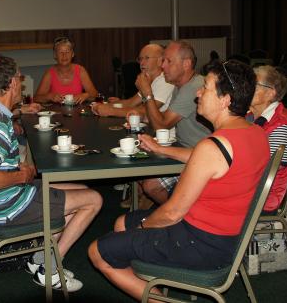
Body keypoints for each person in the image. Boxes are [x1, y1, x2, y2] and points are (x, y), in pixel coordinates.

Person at [88, 60, 269, 301]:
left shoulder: (212, 146)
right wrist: (161, 150)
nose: (198, 92)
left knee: (98, 251)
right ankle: (157, 287)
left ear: (225, 100)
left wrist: (144, 228)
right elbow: (210, 159)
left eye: (205, 87)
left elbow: (172, 213)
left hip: (200, 243)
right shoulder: (254, 132)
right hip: (227, 239)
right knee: (122, 222)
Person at [0, 55, 102, 292]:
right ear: (12, 83)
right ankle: (50, 269)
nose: (22, 82)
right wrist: (22, 175)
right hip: (8, 206)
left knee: (81, 190)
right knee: (93, 200)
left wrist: (19, 173)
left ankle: (38, 260)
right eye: (19, 77)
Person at [135, 40, 212, 204]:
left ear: (186, 64)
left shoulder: (194, 87)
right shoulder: (179, 85)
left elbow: (161, 126)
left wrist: (147, 93)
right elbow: (161, 118)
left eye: (168, 61)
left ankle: (182, 215)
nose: (163, 66)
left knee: (151, 185)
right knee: (139, 163)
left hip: (199, 156)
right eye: (163, 61)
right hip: (182, 147)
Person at [247, 65, 287, 212]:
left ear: (270, 93)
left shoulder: (283, 125)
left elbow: (266, 171)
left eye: (253, 84)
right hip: (248, 186)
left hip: (263, 195)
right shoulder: (251, 115)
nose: (246, 88)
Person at [91, 44, 174, 118]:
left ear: (160, 61)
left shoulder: (165, 81)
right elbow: (131, 103)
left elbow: (145, 110)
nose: (142, 63)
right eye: (140, 59)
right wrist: (103, 106)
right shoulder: (149, 80)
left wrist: (110, 110)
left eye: (147, 58)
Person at [34, 36, 98, 104]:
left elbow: (95, 95)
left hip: (77, 113)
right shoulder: (49, 73)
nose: (64, 55)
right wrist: (50, 96)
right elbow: (36, 98)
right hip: (56, 113)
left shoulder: (80, 70)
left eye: (67, 52)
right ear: (55, 55)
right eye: (60, 52)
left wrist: (86, 95)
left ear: (72, 54)